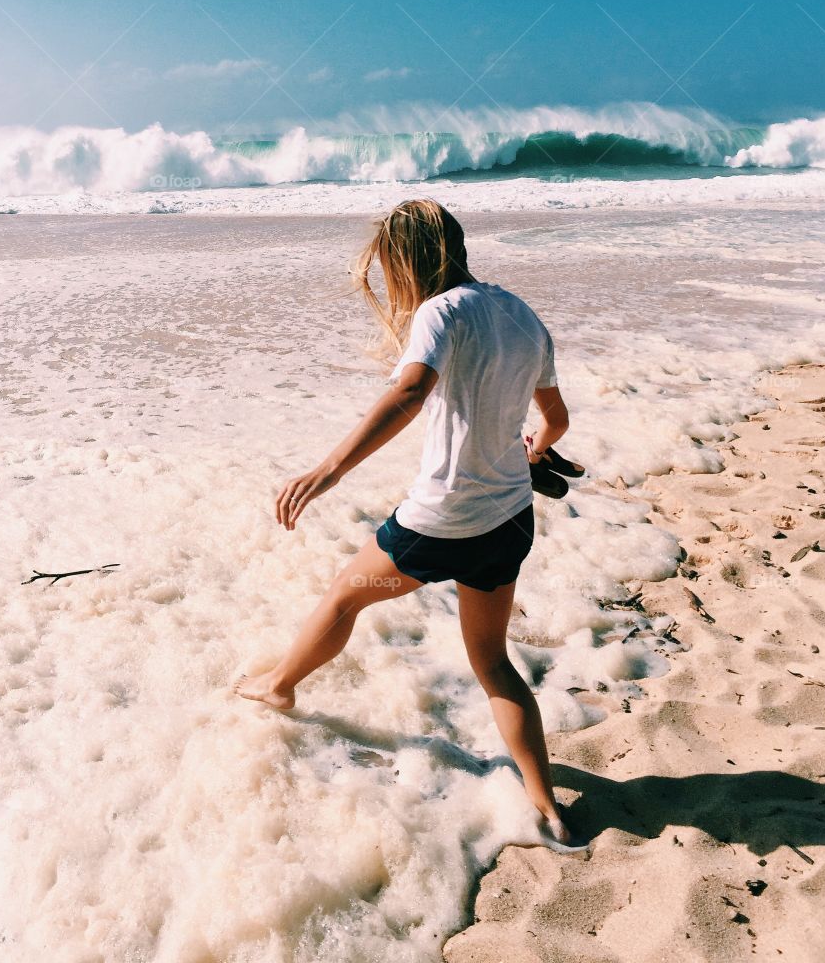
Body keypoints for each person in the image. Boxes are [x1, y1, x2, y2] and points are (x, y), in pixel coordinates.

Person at [236, 198, 584, 850]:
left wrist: (328, 470)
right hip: (507, 520)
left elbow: (408, 392)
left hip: (440, 521)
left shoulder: (439, 311)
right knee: (494, 666)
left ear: (404, 260)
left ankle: (278, 687)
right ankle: (549, 807)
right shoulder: (522, 315)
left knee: (344, 597)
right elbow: (556, 420)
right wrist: (528, 452)